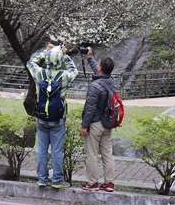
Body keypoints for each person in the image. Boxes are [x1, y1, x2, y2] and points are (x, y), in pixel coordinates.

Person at [26, 43, 78, 189]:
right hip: (58, 119)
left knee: (42, 149)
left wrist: (45, 52)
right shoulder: (64, 76)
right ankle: (57, 180)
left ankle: (42, 178)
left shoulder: (39, 73)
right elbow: (74, 71)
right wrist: (65, 55)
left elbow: (30, 63)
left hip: (41, 118)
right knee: (56, 150)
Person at [79, 47, 117, 192]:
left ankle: (92, 182)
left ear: (101, 68)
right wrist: (90, 58)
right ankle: (109, 183)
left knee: (91, 154)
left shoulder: (95, 87)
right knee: (107, 153)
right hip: (107, 123)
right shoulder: (110, 81)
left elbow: (89, 108)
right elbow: (100, 73)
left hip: (95, 124)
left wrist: (84, 126)